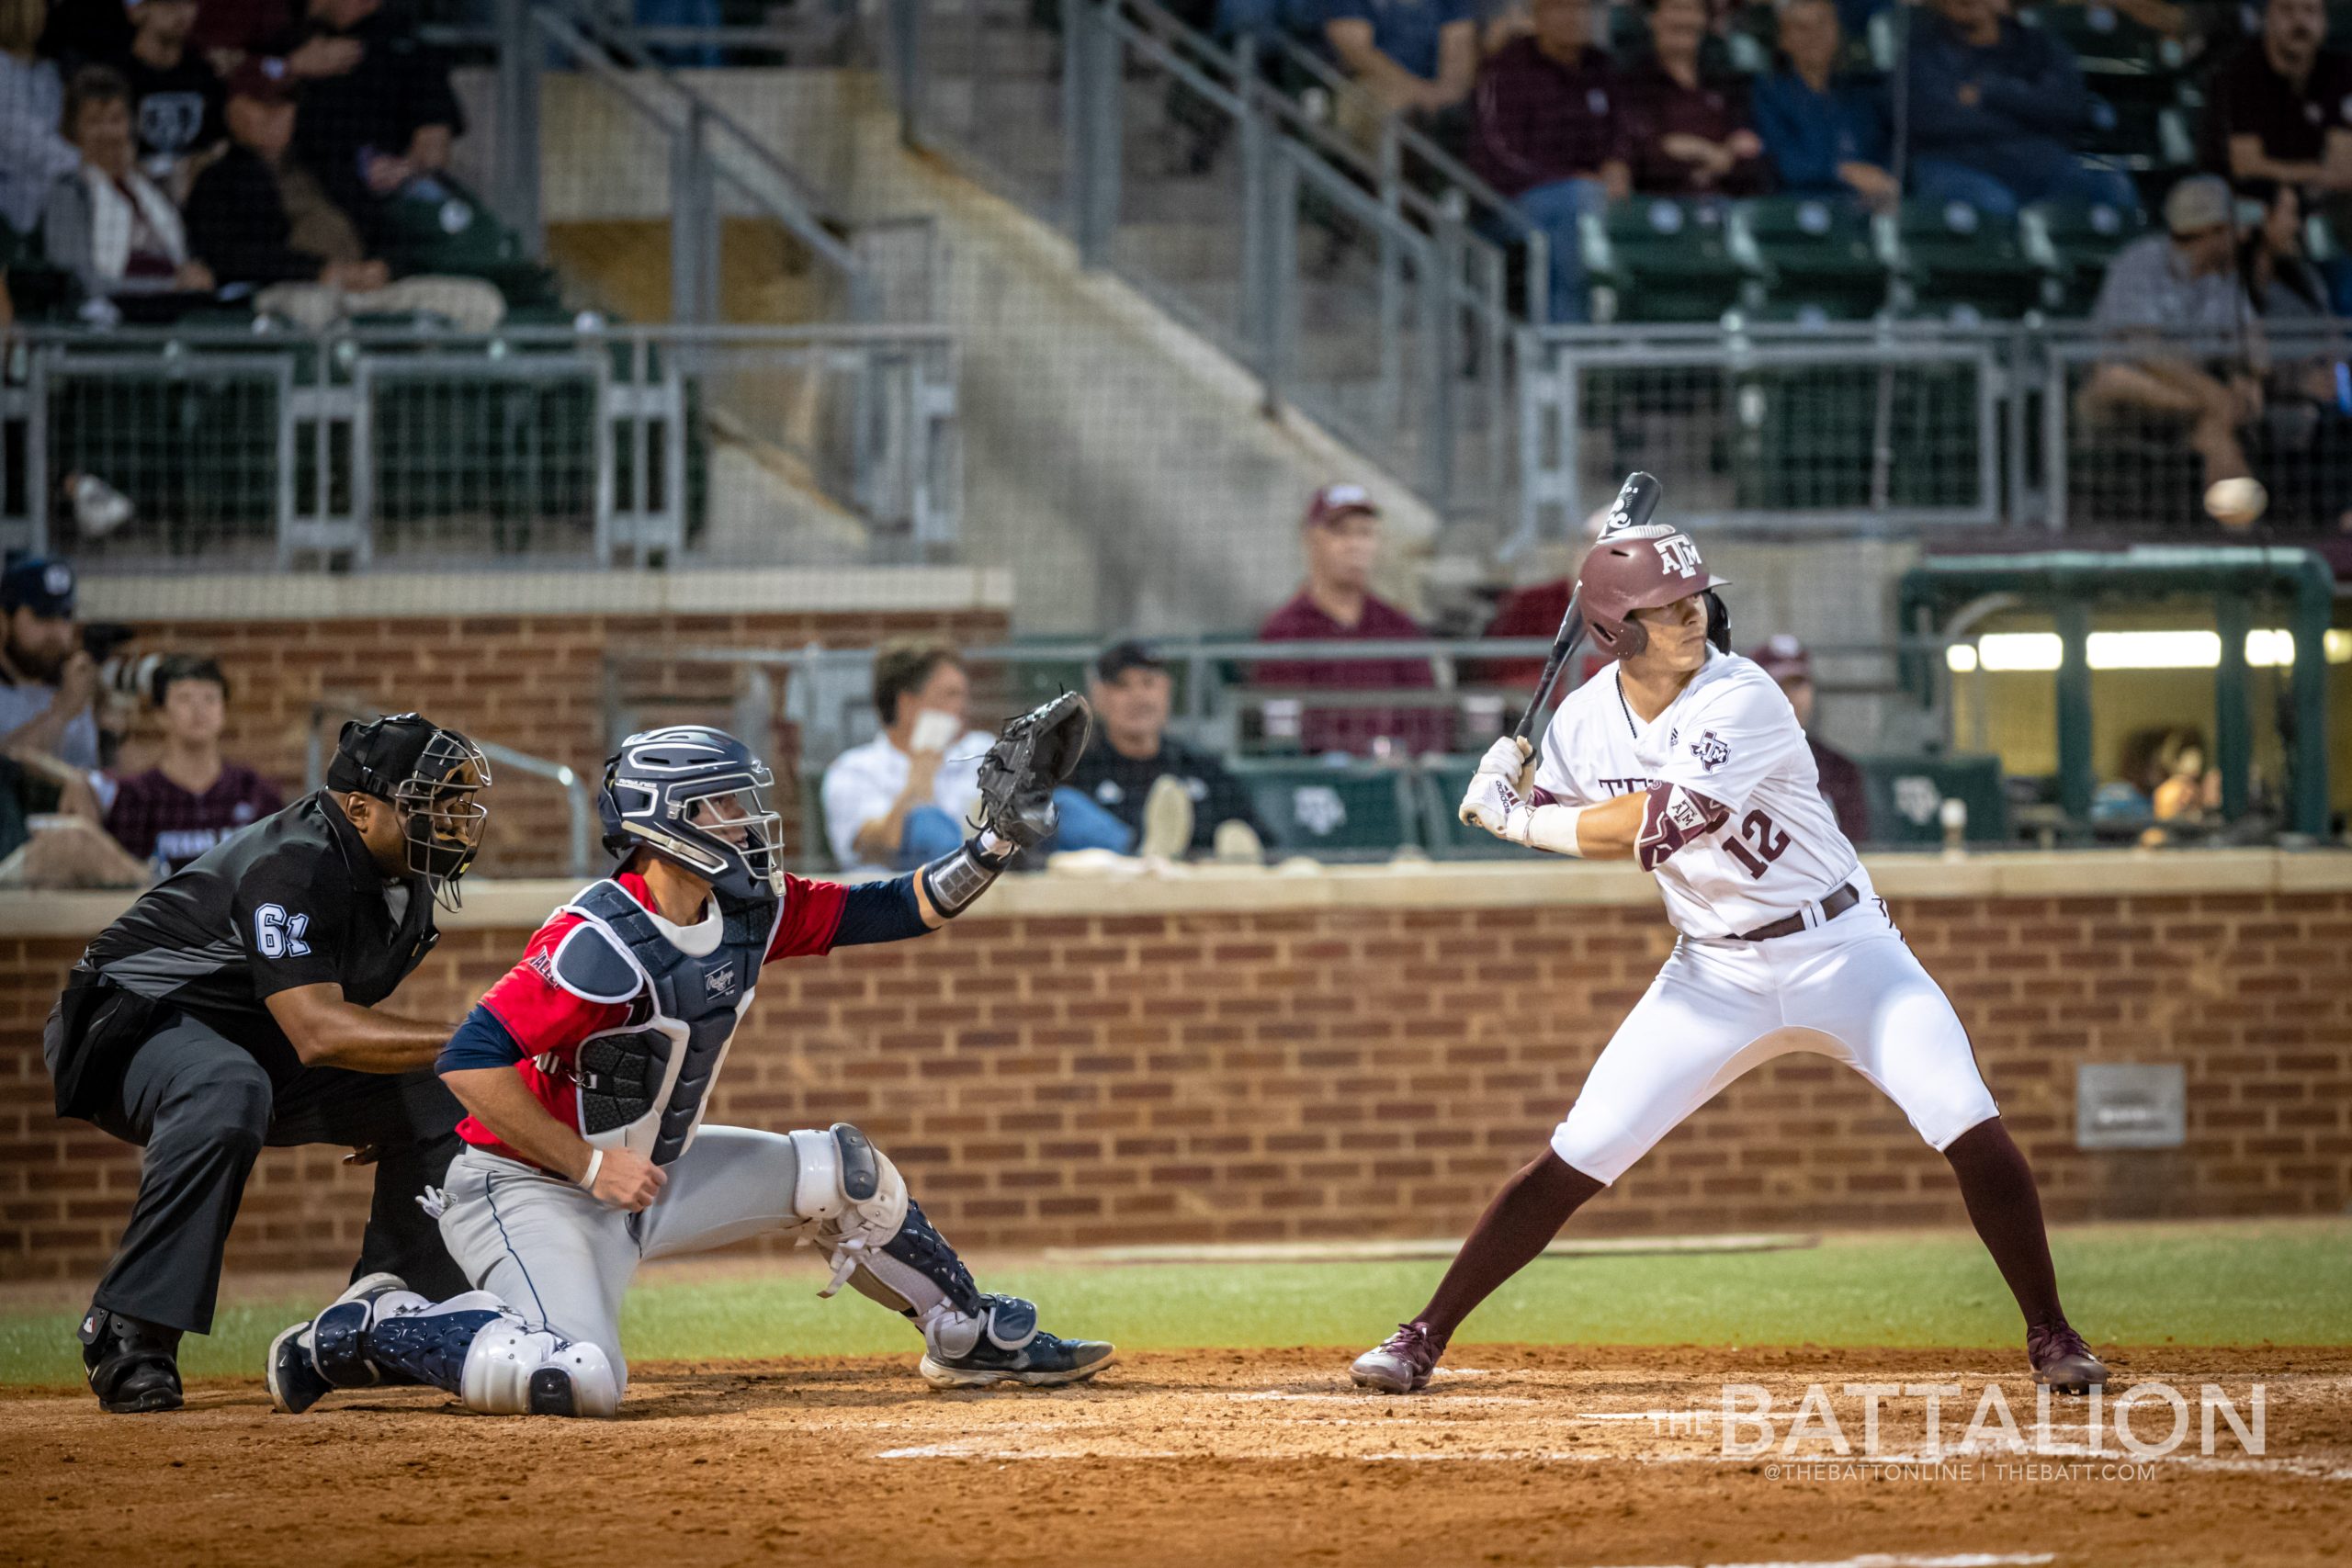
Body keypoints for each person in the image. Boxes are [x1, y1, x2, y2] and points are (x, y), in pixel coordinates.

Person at [1348, 513, 2109, 1399]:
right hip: (1713, 971)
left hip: (1845, 949)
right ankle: (1422, 1335)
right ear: (1614, 629)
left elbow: (1665, 826)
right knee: (1576, 1152)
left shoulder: (1744, 694)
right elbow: (1562, 803)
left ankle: (2053, 1332)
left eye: (1695, 599)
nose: (1693, 617)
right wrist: (1511, 783)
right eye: (1667, 608)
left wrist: (1517, 819)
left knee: (1965, 1117)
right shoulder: (1585, 718)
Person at [262, 720, 1114, 1419]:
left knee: (843, 1171)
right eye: (721, 806)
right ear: (662, 822)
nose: (745, 822)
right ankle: (369, 1326)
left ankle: (968, 1334)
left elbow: (901, 906)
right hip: (525, 1187)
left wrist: (996, 839)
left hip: (645, 1181)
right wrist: (590, 1165)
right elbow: (469, 1060)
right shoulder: (597, 941)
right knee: (582, 1376)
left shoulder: (744, 909)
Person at [42, 714, 492, 1412]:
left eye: (458, 803)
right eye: (430, 803)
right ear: (362, 808)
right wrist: (479, 1035)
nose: (453, 820)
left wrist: (398, 1101)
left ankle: (389, 1323)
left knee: (449, 1089)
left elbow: (314, 1025)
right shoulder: (297, 863)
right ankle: (129, 1332)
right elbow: (317, 1029)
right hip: (125, 1021)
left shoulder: (401, 879)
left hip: (248, 1037)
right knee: (229, 1086)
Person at [181, 57, 501, 331]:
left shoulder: (324, 163)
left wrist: (385, 267)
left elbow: (383, 227)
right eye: (262, 103)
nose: (276, 114)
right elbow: (229, 256)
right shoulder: (217, 178)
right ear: (232, 109)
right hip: (288, 293)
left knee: (480, 301)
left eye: (285, 102)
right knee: (315, 310)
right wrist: (320, 271)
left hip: (362, 286)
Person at [2079, 175, 2262, 493]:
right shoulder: (2139, 262)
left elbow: (2254, 342)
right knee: (2117, 377)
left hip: (2187, 397)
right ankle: (2239, 524)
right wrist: (2215, 395)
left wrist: (2248, 377)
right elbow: (2146, 353)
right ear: (2211, 231)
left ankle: (2236, 524)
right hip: (2122, 394)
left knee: (2217, 420)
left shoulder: (2224, 276)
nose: (2243, 236)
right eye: (2233, 228)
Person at [1257, 484, 1448, 757]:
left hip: (1396, 779)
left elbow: (1429, 720)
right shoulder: (1286, 630)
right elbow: (1284, 735)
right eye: (1341, 532)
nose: (1355, 545)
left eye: (1365, 533)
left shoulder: (1398, 626)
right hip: (1320, 784)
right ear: (1312, 540)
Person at [1468, 0, 1628, 322]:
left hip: (1593, 196)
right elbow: (1499, 156)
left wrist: (1619, 162)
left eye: (1581, 8)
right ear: (1537, 14)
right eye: (1561, 7)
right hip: (1510, 203)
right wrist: (1572, 180)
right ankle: (1562, 349)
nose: (1573, 17)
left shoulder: (1601, 66)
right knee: (1574, 209)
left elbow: (1623, 130)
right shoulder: (1506, 68)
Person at [1904, 0, 2137, 218]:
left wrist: (1991, 92)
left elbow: (2067, 106)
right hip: (1957, 161)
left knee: (2111, 185)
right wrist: (2028, 113)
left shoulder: (2035, 43)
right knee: (1994, 205)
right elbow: (1929, 118)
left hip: (2038, 159)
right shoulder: (1920, 44)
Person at [1064, 639, 1272, 861]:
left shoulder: (1201, 766)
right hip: (1110, 886)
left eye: (1149, 683)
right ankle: (1142, 848)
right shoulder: (1077, 770)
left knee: (1235, 836)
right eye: (1122, 686)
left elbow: (1264, 841)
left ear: (1166, 691)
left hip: (1194, 888)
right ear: (1099, 697)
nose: (1138, 698)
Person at [40, 66, 216, 309]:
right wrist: (165, 287)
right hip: (113, 316)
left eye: (116, 119)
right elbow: (76, 279)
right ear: (73, 131)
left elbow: (184, 258)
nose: (109, 132)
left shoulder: (152, 189)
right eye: (94, 122)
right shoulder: (70, 191)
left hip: (174, 310)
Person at [103, 655, 284, 874]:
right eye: (184, 698)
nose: (199, 709)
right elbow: (120, 880)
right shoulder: (137, 796)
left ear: (223, 711)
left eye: (210, 698)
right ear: (161, 714)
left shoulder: (253, 790)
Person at [1618, 0, 1770, 198]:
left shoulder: (1723, 80)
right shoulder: (1635, 80)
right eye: (1676, 8)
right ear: (1653, 18)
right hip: (1662, 210)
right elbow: (1649, 157)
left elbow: (1749, 150)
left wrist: (1692, 152)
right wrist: (1712, 153)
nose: (1684, 19)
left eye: (1692, 10)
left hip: (1727, 205)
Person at [1750, 0, 1894, 208]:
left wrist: (1882, 179)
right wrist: (1842, 172)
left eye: (1823, 24)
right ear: (1783, 39)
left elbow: (1882, 150)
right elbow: (1782, 162)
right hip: (1798, 207)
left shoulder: (1858, 94)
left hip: (1863, 208)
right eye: (1802, 28)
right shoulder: (1769, 92)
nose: (1815, 36)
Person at [1749, 634, 1869, 842]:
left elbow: (1858, 850)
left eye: (1798, 685)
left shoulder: (1840, 770)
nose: (1792, 697)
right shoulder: (1736, 762)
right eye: (1779, 685)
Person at [1325, 0, 1479, 144]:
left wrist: (1447, 93)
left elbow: (1460, 44)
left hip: (1436, 90)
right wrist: (1419, 93)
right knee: (1393, 105)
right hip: (1371, 83)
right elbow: (1354, 49)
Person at [0, 558, 102, 773]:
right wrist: (62, 711)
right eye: (42, 616)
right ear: (4, 620)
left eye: (65, 616)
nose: (57, 632)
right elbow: (4, 778)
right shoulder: (69, 699)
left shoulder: (72, 684)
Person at [112, 0, 225, 191]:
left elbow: (217, 144)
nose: (183, 13)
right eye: (169, 4)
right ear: (138, 11)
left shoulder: (204, 74)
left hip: (195, 192)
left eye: (189, 3)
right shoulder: (116, 76)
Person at [0, 0, 80, 243]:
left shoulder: (49, 72)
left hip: (59, 208)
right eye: (39, 5)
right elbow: (23, 141)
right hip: (10, 217)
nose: (44, 14)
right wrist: (91, 166)